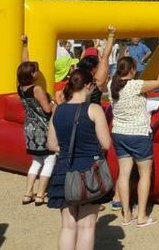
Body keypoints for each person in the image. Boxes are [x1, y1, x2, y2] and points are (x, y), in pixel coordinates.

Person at [46, 68, 112, 250]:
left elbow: (51, 145)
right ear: (89, 86)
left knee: (67, 225)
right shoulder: (94, 109)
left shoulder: (58, 111)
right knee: (87, 226)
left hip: (63, 171)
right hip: (90, 171)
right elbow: (106, 144)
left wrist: (67, 148)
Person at [109, 48, 159, 227]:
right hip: (138, 133)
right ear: (133, 70)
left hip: (119, 132)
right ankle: (142, 216)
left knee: (124, 173)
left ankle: (126, 214)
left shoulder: (111, 85)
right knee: (145, 174)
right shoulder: (135, 85)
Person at [18, 36, 55, 206]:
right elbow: (47, 109)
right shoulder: (37, 89)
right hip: (43, 128)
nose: (37, 72)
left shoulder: (20, 87)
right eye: (35, 71)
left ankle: (28, 193)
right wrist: (55, 104)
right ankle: (40, 194)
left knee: (36, 160)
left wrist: (25, 45)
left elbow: (24, 63)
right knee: (49, 160)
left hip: (29, 127)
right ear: (32, 74)